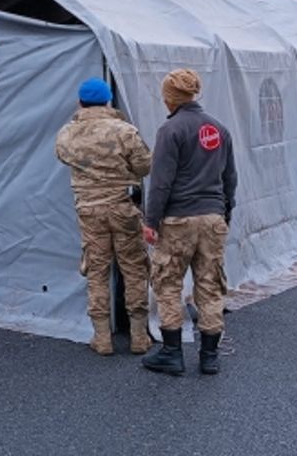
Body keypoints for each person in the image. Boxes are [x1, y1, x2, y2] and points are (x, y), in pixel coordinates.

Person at [141, 69, 236, 376]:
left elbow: (161, 182)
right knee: (210, 283)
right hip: (212, 217)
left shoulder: (171, 130)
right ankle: (209, 356)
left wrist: (151, 220)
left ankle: (171, 352)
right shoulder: (219, 128)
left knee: (168, 281)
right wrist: (225, 212)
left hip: (178, 219)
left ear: (171, 98)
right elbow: (229, 178)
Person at [55, 78, 153, 356]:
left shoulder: (67, 133)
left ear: (80, 102)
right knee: (134, 268)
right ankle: (138, 337)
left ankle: (102, 337)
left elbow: (62, 157)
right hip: (123, 206)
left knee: (96, 270)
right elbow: (145, 166)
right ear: (108, 101)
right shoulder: (125, 131)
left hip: (88, 209)